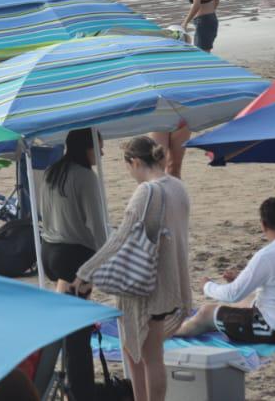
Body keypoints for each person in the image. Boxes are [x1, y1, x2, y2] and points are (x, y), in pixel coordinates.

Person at [74, 136, 191, 401]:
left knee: (149, 356)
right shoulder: (177, 186)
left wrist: (85, 272)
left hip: (144, 283)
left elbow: (120, 238)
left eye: (128, 167)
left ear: (135, 162)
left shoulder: (146, 192)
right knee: (141, 351)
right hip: (171, 279)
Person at [175, 198, 275, 344]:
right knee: (249, 300)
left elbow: (232, 295)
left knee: (206, 312)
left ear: (263, 225)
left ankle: (169, 332)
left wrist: (207, 286)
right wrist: (241, 279)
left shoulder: (267, 255)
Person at [36, 128, 108, 401]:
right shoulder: (86, 178)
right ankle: (80, 393)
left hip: (49, 251)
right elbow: (98, 227)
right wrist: (101, 264)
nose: (101, 153)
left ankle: (62, 383)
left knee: (65, 323)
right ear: (84, 148)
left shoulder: (53, 171)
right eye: (98, 148)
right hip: (75, 255)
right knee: (79, 334)